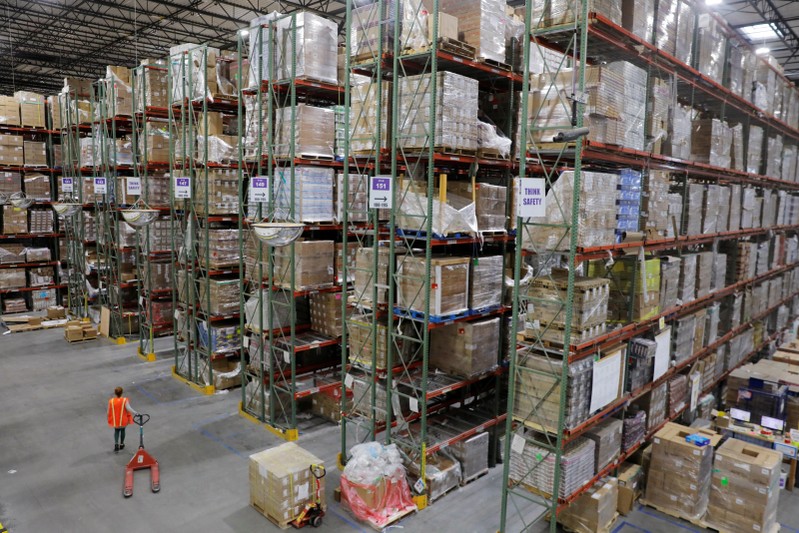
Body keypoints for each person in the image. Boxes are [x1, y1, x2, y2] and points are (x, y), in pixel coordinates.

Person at [107, 387, 138, 453]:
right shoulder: (124, 400)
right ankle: (121, 444)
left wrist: (109, 418)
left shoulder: (111, 401)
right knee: (123, 430)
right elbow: (128, 408)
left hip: (116, 420)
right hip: (123, 420)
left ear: (115, 393)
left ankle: (116, 444)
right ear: (122, 392)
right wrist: (136, 413)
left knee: (116, 431)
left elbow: (108, 411)